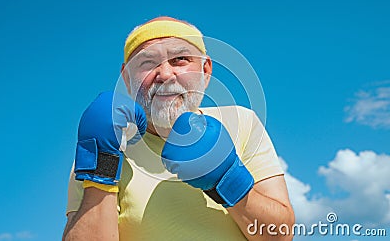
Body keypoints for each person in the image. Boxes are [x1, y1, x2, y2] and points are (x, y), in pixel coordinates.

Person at [63, 16, 295, 241]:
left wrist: (228, 179)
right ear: (126, 78)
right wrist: (102, 167)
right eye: (147, 63)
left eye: (180, 59)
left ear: (205, 70)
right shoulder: (102, 146)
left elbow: (281, 236)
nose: (164, 74)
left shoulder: (242, 121)